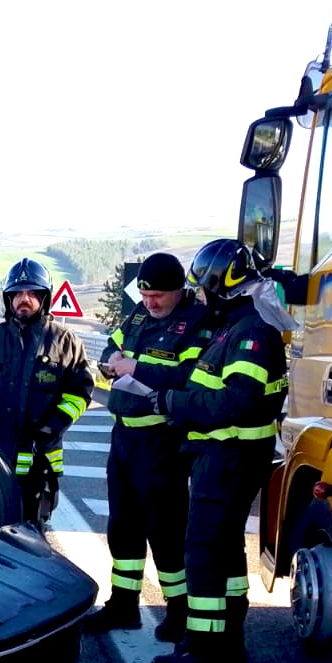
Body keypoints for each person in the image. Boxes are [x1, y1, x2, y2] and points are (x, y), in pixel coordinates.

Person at [149, 239, 289, 663]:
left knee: (205, 550)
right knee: (226, 550)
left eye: (201, 287)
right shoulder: (235, 325)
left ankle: (203, 647)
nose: (199, 295)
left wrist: (172, 403)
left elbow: (235, 402)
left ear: (218, 285)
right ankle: (227, 638)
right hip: (226, 454)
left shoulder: (250, 332)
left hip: (229, 455)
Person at [84, 252, 214, 637]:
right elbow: (113, 346)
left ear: (178, 291)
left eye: (158, 295)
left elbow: (190, 375)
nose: (151, 302)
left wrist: (136, 368)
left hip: (163, 440)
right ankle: (123, 605)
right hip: (124, 436)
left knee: (166, 531)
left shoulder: (196, 323)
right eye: (145, 294)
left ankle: (179, 612)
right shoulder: (139, 315)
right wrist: (113, 360)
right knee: (123, 527)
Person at [0, 258, 95, 528]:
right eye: (18, 293)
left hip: (40, 461)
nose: (24, 299)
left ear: (44, 297)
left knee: (31, 535)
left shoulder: (64, 342)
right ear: (8, 299)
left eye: (32, 293)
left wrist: (52, 427)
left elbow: (80, 392)